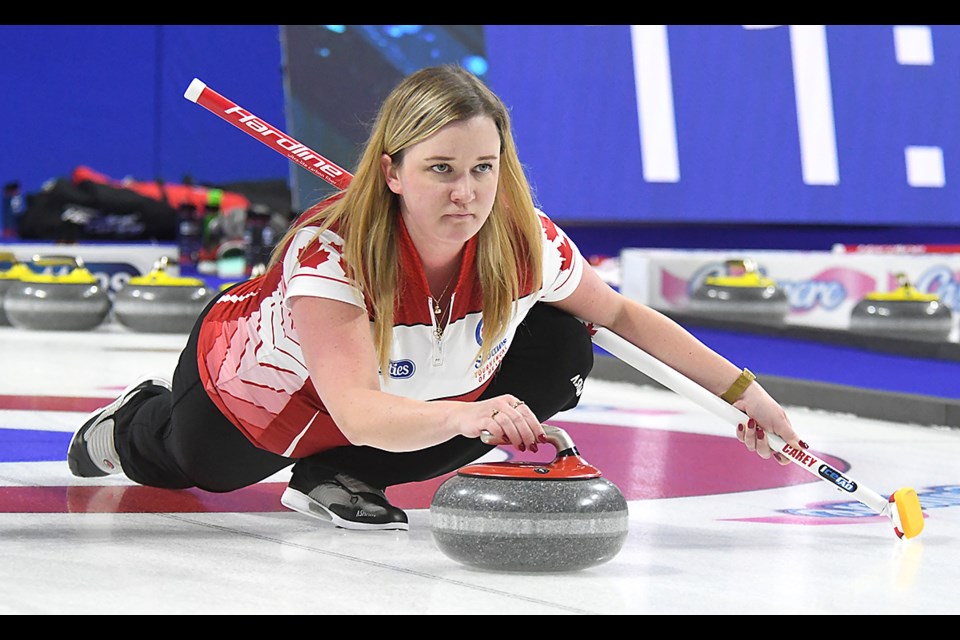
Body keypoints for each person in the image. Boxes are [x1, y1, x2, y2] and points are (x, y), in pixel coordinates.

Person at [67, 64, 802, 531]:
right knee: (204, 467)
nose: (467, 192)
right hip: (263, 393)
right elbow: (353, 408)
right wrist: (472, 415)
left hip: (407, 394)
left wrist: (749, 396)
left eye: (483, 168)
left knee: (561, 344)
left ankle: (342, 477)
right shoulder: (331, 253)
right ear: (391, 172)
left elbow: (621, 316)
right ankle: (138, 420)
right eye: (441, 168)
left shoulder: (526, 242)